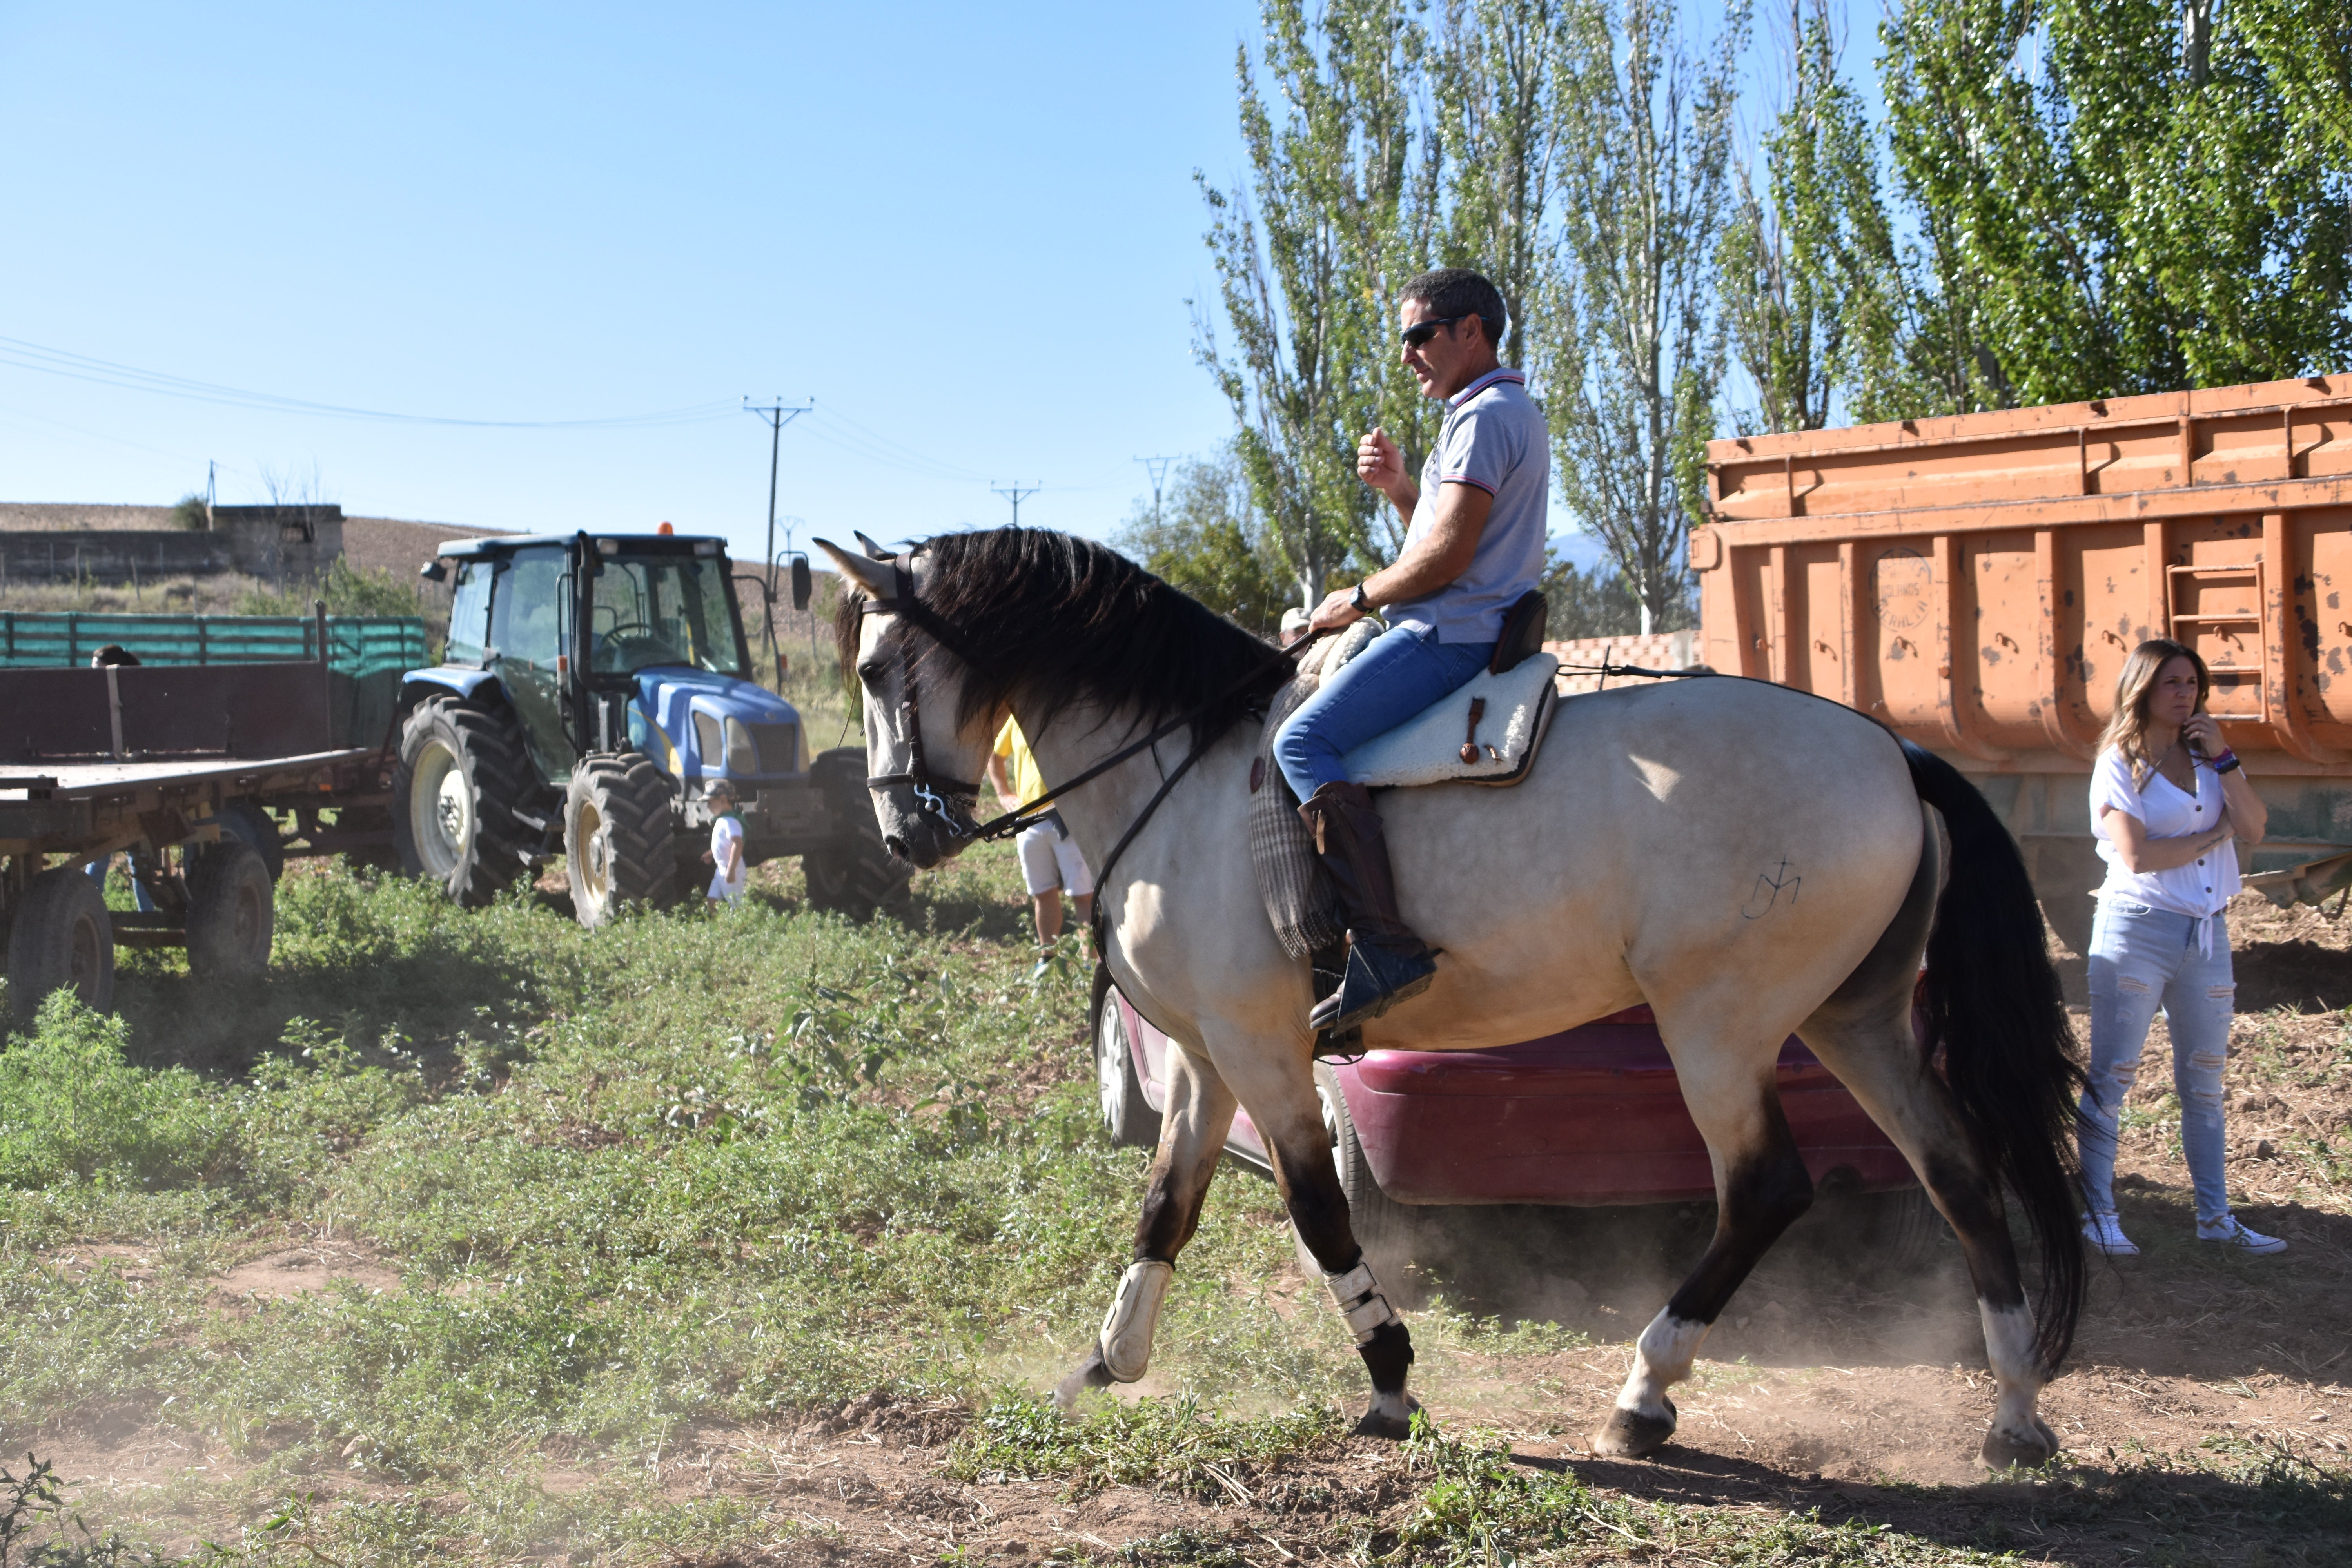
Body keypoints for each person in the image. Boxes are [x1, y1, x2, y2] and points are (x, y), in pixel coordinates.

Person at [1271, 267, 1548, 1031]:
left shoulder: (1486, 416)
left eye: (1419, 335)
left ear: (1472, 331)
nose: (1407, 354)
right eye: (1405, 339)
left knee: (1303, 741)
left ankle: (1387, 945)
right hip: (1465, 622)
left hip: (1448, 635)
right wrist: (1400, 491)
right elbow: (1445, 540)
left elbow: (1449, 560)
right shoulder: (1496, 409)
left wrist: (1355, 598)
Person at [2077, 637, 2283, 1257]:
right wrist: (2212, 837)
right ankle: (2098, 1214)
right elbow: (2138, 856)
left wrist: (2224, 759)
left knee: (2205, 1083)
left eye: (2192, 683)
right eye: (2172, 683)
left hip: (2206, 932)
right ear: (2143, 689)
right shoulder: (2119, 760)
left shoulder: (2209, 758)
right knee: (2113, 1076)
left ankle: (2216, 1219)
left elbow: (2254, 827)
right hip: (2137, 927)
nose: (2185, 694)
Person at [986, 715, 1094, 978]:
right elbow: (995, 756)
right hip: (1029, 822)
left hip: (1070, 818)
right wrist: (1003, 794)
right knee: (1043, 894)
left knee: (1084, 895)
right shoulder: (1016, 717)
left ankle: (1093, 966)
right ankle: (1048, 959)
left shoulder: (1070, 711)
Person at [703, 780, 748, 908]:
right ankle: (720, 927)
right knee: (712, 900)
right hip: (722, 868)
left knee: (737, 904)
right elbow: (725, 843)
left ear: (723, 800)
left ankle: (744, 927)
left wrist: (731, 870)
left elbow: (738, 844)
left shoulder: (731, 822)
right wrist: (713, 853)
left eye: (710, 803)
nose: (708, 807)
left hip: (732, 868)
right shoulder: (722, 820)